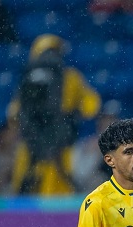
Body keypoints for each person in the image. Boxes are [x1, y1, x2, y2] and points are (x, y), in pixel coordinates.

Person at [9, 34, 101, 195]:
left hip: (46, 145)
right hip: (49, 144)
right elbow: (91, 107)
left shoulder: (67, 77)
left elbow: (14, 114)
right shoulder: (69, 76)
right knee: (47, 199)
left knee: (45, 197)